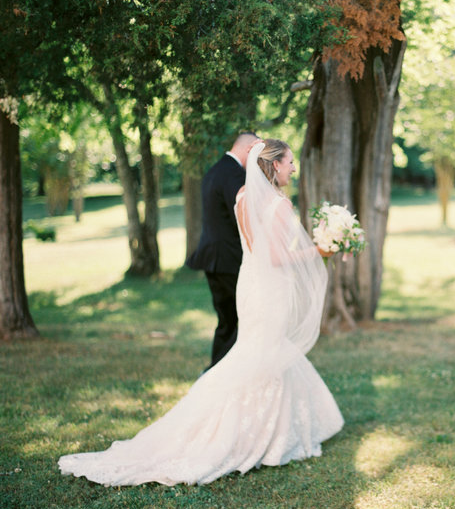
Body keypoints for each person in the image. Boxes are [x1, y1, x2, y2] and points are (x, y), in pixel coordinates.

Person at [58, 139, 344, 486]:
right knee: (261, 357)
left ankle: (277, 433)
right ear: (274, 166)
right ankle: (253, 437)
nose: (293, 169)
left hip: (251, 287)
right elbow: (277, 257)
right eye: (289, 163)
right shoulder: (278, 206)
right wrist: (318, 250)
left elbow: (256, 249)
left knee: (258, 354)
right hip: (270, 290)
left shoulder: (243, 200)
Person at [185, 132, 256, 369]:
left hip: (214, 258)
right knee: (237, 322)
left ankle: (217, 375)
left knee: (228, 322)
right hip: (227, 260)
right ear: (249, 149)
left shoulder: (215, 170)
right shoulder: (235, 175)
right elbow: (242, 217)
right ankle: (216, 378)